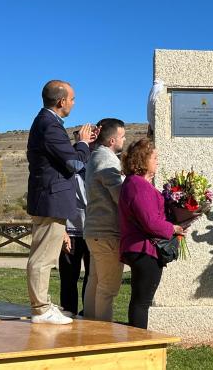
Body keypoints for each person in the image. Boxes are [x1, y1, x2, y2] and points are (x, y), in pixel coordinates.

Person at [27, 80, 91, 324]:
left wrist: (78, 145)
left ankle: (42, 306)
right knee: (43, 258)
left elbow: (64, 157)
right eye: (72, 99)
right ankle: (41, 309)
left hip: (49, 198)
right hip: (51, 199)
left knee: (44, 255)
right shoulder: (50, 125)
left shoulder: (47, 123)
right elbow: (75, 164)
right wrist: (83, 144)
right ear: (61, 101)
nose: (74, 103)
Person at [118, 138, 185, 328]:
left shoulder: (136, 184)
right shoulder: (138, 185)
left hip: (141, 248)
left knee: (140, 300)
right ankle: (139, 344)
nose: (157, 161)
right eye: (154, 157)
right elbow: (150, 222)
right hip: (143, 249)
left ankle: (137, 342)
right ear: (142, 159)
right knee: (142, 302)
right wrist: (173, 228)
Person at [83, 118, 127, 321]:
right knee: (107, 288)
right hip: (107, 231)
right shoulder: (107, 160)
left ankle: (90, 328)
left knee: (95, 282)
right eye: (122, 136)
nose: (124, 140)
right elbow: (120, 196)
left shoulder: (95, 156)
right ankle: (102, 332)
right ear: (111, 140)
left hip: (95, 231)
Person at [58, 129, 92, 316]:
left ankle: (87, 312)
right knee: (69, 277)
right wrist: (61, 230)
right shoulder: (67, 166)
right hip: (70, 229)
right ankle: (68, 313)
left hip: (93, 230)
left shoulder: (98, 165)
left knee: (91, 276)